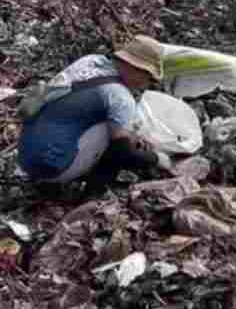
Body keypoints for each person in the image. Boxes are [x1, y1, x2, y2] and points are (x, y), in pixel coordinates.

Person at [17, 35, 174, 193]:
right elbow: (122, 152)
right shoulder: (120, 96)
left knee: (111, 122)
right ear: (137, 69)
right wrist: (157, 159)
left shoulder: (91, 61)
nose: (146, 84)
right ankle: (94, 190)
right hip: (50, 168)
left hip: (24, 156)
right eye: (148, 77)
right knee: (115, 136)